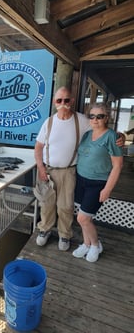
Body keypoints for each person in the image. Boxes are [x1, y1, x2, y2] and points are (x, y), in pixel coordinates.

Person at [34, 86, 124, 251]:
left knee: (65, 206)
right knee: (46, 204)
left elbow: (102, 130)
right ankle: (45, 229)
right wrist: (40, 167)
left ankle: (64, 234)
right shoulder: (49, 122)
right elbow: (38, 147)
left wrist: (120, 136)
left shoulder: (83, 120)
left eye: (66, 100)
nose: (63, 103)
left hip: (69, 170)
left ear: (72, 101)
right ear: (54, 103)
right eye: (59, 100)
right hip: (48, 170)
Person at [72, 103, 123, 262]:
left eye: (99, 116)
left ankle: (95, 245)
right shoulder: (87, 134)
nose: (95, 119)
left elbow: (118, 165)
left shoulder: (112, 136)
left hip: (98, 183)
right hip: (81, 180)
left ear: (106, 118)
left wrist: (107, 189)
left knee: (82, 218)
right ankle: (86, 244)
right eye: (92, 116)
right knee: (86, 217)